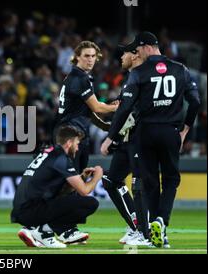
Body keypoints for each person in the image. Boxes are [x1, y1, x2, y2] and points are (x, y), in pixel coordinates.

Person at [101, 32, 201, 248]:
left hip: (144, 133)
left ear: (147, 47)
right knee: (171, 180)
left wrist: (110, 137)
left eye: (138, 48)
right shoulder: (180, 69)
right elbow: (195, 102)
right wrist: (184, 129)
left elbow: (125, 107)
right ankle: (161, 222)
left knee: (150, 183)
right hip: (169, 131)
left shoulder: (138, 73)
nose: (136, 52)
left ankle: (157, 230)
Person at [11, 126, 102, 248]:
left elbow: (65, 190)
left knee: (68, 199)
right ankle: (44, 231)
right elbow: (84, 191)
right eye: (77, 143)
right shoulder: (61, 158)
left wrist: (83, 178)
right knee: (90, 203)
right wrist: (97, 176)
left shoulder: (49, 153)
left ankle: (43, 232)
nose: (77, 148)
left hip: (23, 209)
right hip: (31, 210)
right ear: (69, 143)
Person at [101, 46, 150, 246]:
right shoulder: (132, 77)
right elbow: (124, 108)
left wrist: (110, 138)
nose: (121, 57)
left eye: (124, 53)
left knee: (139, 184)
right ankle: (136, 225)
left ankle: (146, 231)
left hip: (139, 138)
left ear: (135, 55)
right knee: (111, 180)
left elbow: (130, 110)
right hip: (127, 138)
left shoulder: (140, 76)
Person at [54, 41, 118, 173]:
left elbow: (85, 110)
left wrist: (103, 125)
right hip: (71, 136)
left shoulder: (76, 76)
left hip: (73, 133)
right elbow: (96, 107)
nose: (90, 60)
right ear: (77, 56)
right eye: (86, 56)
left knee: (75, 178)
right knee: (72, 181)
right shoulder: (80, 78)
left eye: (93, 56)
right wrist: (117, 108)